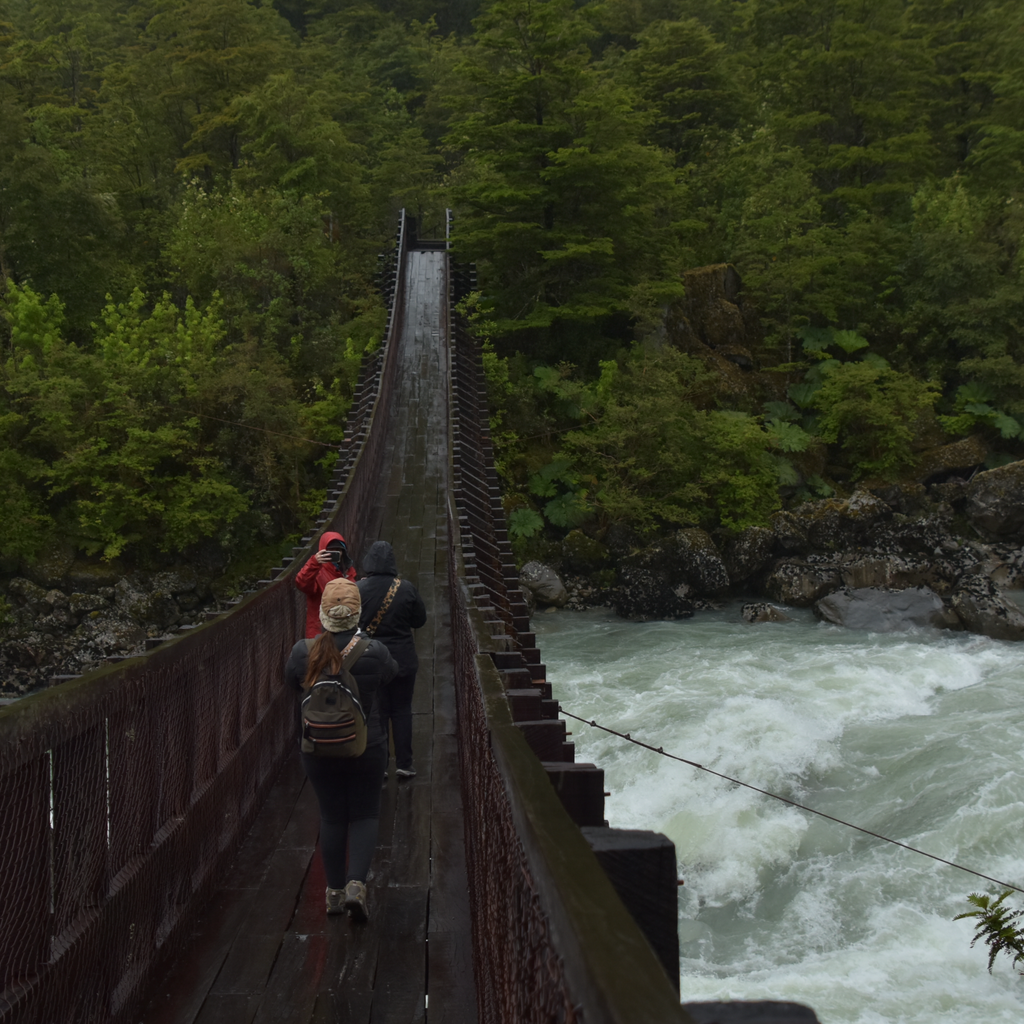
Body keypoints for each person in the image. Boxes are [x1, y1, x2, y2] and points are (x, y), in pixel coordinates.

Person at [284, 577, 398, 921]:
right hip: (367, 745)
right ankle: (355, 886)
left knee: (332, 816)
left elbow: (291, 683)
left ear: (323, 613)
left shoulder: (302, 651)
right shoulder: (375, 651)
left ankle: (333, 893)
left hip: (317, 746)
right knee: (365, 814)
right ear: (356, 613)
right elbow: (391, 676)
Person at [357, 541, 427, 779]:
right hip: (403, 660)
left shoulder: (358, 589)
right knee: (402, 710)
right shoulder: (406, 588)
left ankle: (381, 765)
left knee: (378, 711)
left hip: (372, 659)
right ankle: (405, 764)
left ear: (369, 562)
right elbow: (419, 620)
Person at [295, 530, 356, 639]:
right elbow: (302, 583)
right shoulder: (317, 572)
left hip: (344, 630)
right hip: (320, 633)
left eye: (338, 550)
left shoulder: (348, 572)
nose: (334, 553)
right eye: (330, 550)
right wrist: (314, 562)